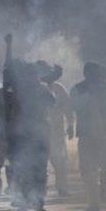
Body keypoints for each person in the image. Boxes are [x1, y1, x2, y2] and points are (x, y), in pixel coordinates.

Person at [4, 34, 55, 211]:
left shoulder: (35, 89)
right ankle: (27, 203)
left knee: (37, 171)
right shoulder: (27, 89)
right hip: (26, 135)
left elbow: (52, 102)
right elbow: (7, 70)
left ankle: (37, 202)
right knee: (25, 170)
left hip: (36, 135)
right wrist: (8, 48)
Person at [71, 62, 106, 211]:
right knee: (89, 171)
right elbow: (77, 107)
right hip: (91, 135)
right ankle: (96, 204)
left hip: (105, 134)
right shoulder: (81, 89)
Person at [38, 61, 74, 196]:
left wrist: (71, 125)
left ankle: (62, 187)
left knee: (59, 160)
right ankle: (40, 189)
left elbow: (68, 108)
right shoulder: (33, 88)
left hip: (56, 131)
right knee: (40, 161)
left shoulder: (59, 89)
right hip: (39, 131)